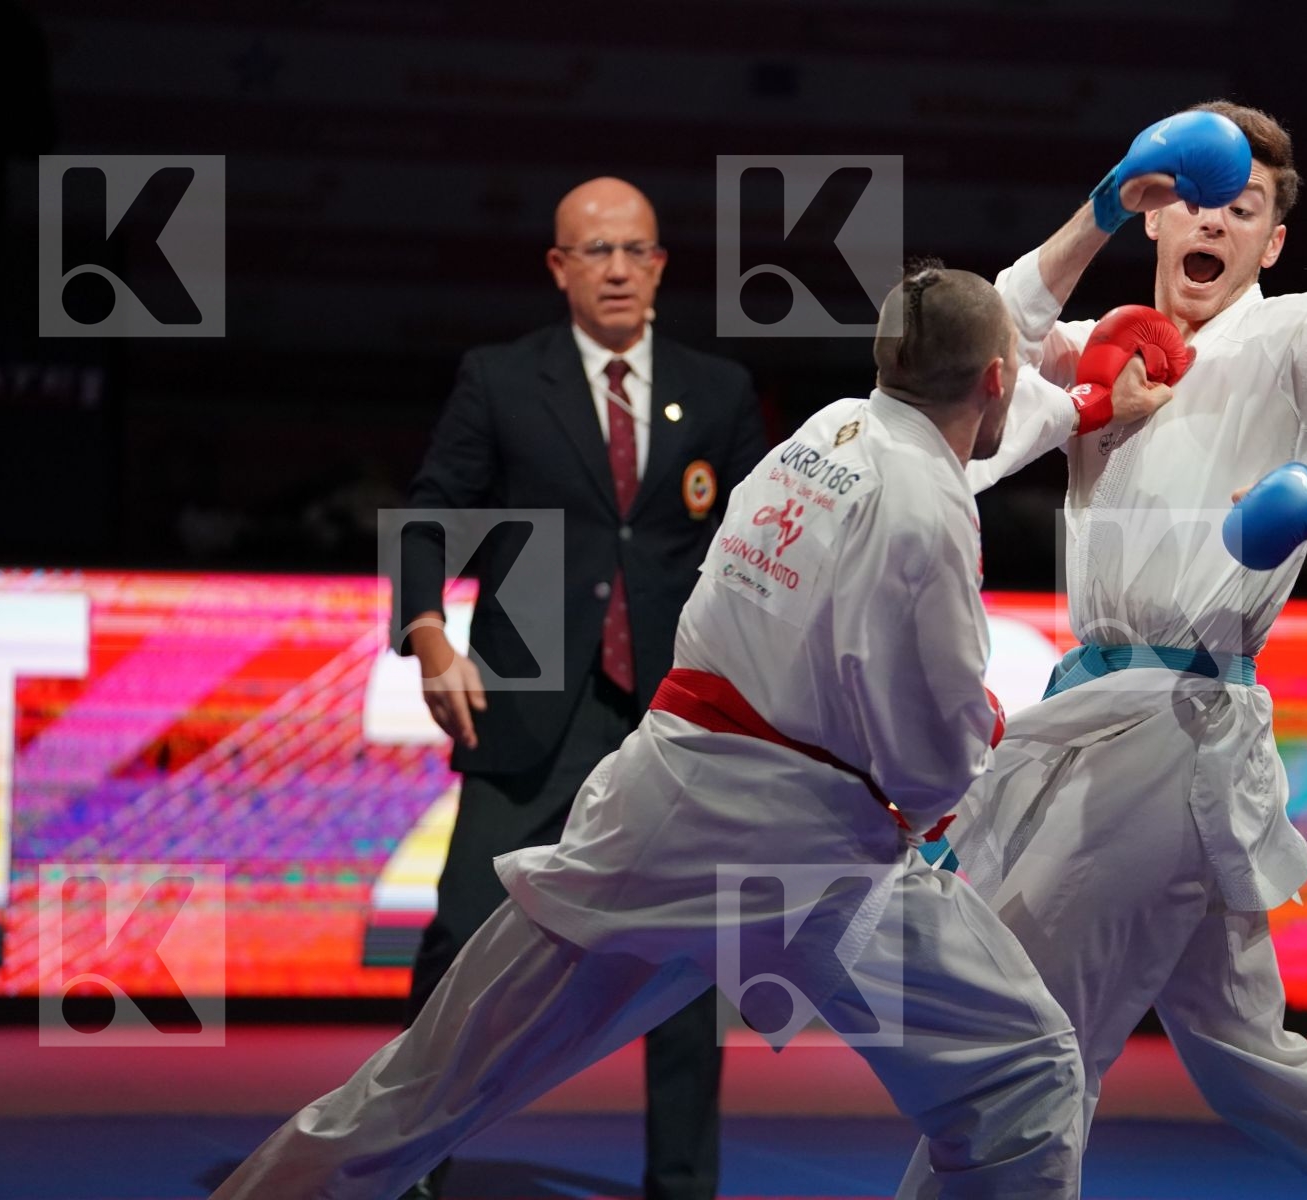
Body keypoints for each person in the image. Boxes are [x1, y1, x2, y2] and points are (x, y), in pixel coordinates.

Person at [211, 264, 1089, 1200]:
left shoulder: (828, 429)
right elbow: (928, 760)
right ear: (997, 377)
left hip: (659, 812)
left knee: (424, 1090)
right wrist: (976, 741)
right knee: (1020, 1074)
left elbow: (960, 431)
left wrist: (1077, 405)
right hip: (804, 853)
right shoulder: (930, 510)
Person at [896, 103, 1307, 1199]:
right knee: (1248, 1060)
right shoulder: (1111, 347)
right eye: (1190, 196)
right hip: (1107, 721)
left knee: (1026, 1030)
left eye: (1244, 209)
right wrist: (1095, 208)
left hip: (1176, 725)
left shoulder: (1303, 333)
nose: (1214, 223)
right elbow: (965, 349)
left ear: (1270, 242)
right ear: (1154, 211)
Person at [390, 177, 766, 1200]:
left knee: (688, 959)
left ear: (661, 265)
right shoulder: (502, 380)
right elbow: (432, 514)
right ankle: (408, 1161)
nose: (615, 269)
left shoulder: (719, 391)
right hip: (524, 699)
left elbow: (769, 543)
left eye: (633, 250)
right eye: (593, 251)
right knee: (465, 933)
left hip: (676, 716)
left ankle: (682, 1185)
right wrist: (427, 633)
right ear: (558, 267)